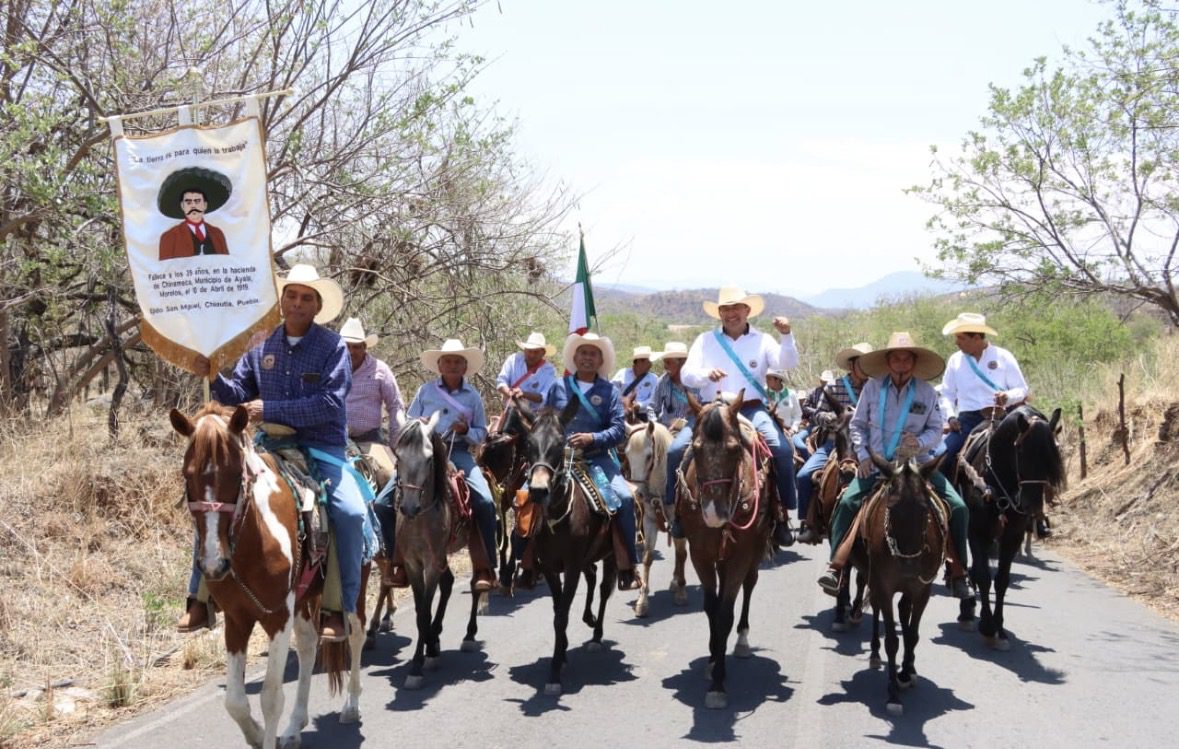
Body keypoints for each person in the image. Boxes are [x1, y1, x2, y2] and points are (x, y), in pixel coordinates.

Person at [178, 264, 367, 641]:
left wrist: (271, 409)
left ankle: (338, 607)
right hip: (268, 446)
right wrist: (213, 375)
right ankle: (199, 599)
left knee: (349, 513)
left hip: (321, 448)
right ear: (281, 301)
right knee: (215, 495)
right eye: (291, 295)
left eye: (306, 298)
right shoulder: (261, 345)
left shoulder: (333, 348)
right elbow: (238, 395)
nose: (297, 303)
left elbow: (331, 403)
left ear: (317, 306)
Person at [816, 332, 972, 599]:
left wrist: (919, 442)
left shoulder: (926, 391)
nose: (901, 364)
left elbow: (936, 429)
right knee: (846, 503)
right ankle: (836, 567)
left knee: (958, 507)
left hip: (917, 465)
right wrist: (863, 456)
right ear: (888, 362)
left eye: (906, 359)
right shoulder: (872, 388)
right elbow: (857, 425)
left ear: (914, 362)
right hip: (878, 464)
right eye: (896, 359)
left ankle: (958, 571)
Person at [667, 286, 800, 547]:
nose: (731, 314)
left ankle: (782, 513)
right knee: (675, 450)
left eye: (736, 308)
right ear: (719, 313)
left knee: (781, 449)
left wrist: (786, 336)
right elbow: (687, 375)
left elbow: (786, 363)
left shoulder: (763, 340)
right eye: (725, 309)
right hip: (711, 409)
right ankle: (677, 512)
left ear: (747, 310)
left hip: (750, 408)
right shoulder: (705, 340)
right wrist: (706, 374)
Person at [545, 332, 641, 590]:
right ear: (575, 357)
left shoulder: (610, 391)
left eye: (593, 354)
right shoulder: (557, 387)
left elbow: (619, 430)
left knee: (624, 498)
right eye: (583, 353)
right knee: (526, 495)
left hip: (597, 460)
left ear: (601, 360)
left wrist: (592, 438)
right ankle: (526, 563)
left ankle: (628, 564)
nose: (587, 358)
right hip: (559, 459)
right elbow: (545, 421)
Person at [404, 338, 498, 592]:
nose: (453, 365)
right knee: (388, 497)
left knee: (485, 501)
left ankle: (486, 566)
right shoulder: (425, 391)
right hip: (425, 451)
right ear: (440, 365)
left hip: (458, 452)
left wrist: (466, 430)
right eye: (448, 361)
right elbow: (408, 422)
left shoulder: (473, 396)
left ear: (465, 366)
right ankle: (397, 560)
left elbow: (481, 434)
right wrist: (419, 424)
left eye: (458, 361)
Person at [795, 343, 873, 543]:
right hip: (835, 442)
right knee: (804, 476)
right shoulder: (834, 386)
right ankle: (809, 523)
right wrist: (831, 418)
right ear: (852, 365)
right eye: (862, 363)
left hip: (868, 445)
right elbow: (817, 414)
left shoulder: (876, 388)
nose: (867, 367)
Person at [939, 312, 1029, 476]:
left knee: (1034, 450)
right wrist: (951, 417)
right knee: (942, 456)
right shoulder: (955, 360)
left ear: (976, 338)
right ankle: (948, 493)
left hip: (1003, 418)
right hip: (967, 422)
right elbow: (946, 394)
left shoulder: (1003, 356)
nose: (956, 342)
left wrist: (1007, 397)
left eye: (961, 338)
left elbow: (1021, 389)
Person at [341, 316, 404, 488]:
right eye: (347, 346)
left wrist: (396, 444)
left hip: (369, 440)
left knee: (391, 478)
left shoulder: (380, 369)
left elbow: (395, 406)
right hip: (336, 439)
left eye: (356, 346)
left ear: (364, 347)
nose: (351, 351)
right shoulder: (331, 368)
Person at [157, 167, 231, 260]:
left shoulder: (217, 234)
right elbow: (165, 267)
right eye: (188, 202)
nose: (193, 206)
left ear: (205, 205)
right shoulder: (170, 237)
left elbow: (226, 263)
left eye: (197, 201)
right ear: (182, 206)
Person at [648, 341, 700, 432]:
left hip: (691, 429)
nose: (665, 366)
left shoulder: (696, 382)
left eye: (668, 362)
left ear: (681, 363)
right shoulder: (663, 381)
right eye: (664, 362)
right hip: (666, 430)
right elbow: (651, 408)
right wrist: (655, 426)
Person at [495, 332, 558, 405]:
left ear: (543, 353)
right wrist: (511, 394)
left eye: (536, 352)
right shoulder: (513, 360)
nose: (532, 355)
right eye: (530, 351)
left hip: (535, 411)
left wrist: (524, 394)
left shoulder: (549, 371)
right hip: (511, 408)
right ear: (525, 350)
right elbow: (501, 382)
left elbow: (545, 396)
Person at [611, 346, 658, 414]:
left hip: (643, 414)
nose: (651, 364)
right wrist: (623, 401)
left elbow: (653, 399)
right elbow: (611, 392)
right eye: (649, 361)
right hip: (621, 412)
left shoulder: (653, 378)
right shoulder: (622, 373)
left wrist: (639, 405)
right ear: (640, 361)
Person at [765, 369, 803, 433]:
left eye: (769, 379)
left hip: (789, 431)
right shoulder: (764, 393)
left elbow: (798, 414)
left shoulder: (791, 394)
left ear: (777, 380)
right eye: (766, 378)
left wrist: (793, 429)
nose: (766, 381)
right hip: (769, 431)